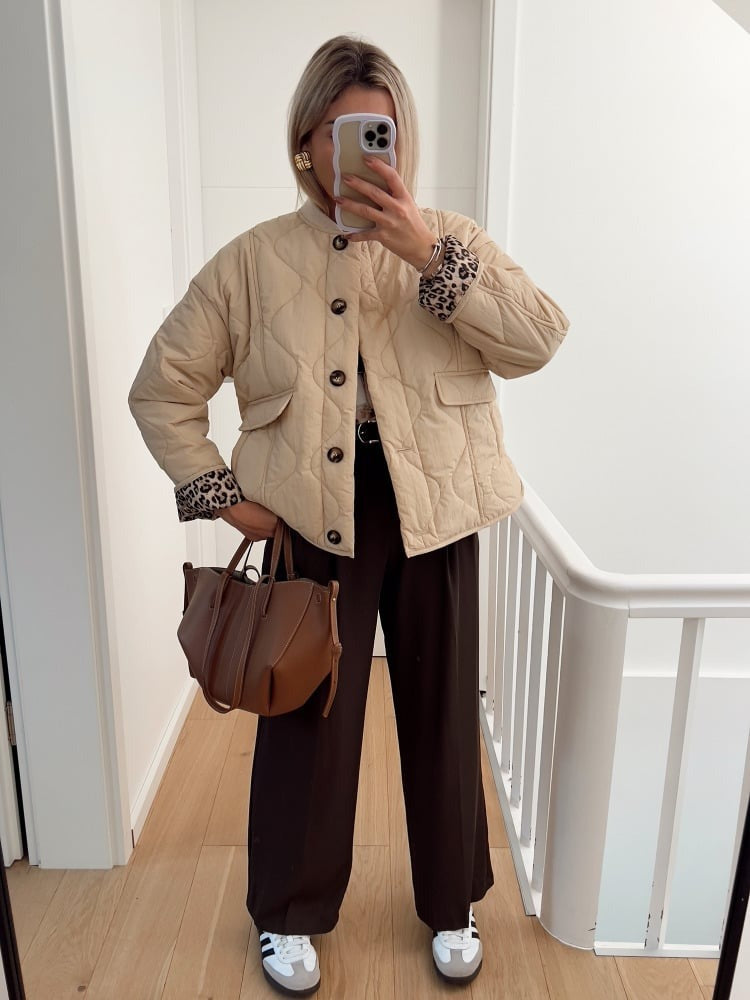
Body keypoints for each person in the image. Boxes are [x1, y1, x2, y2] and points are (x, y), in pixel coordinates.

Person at [128, 33, 570, 997]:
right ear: (307, 144)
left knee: (443, 708)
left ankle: (451, 903)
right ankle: (288, 912)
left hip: (436, 503)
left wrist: (425, 253)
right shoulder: (251, 262)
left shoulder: (446, 238)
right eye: (342, 132)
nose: (367, 152)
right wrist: (223, 499)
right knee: (308, 713)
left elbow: (537, 339)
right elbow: (162, 390)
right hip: (307, 512)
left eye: (383, 132)